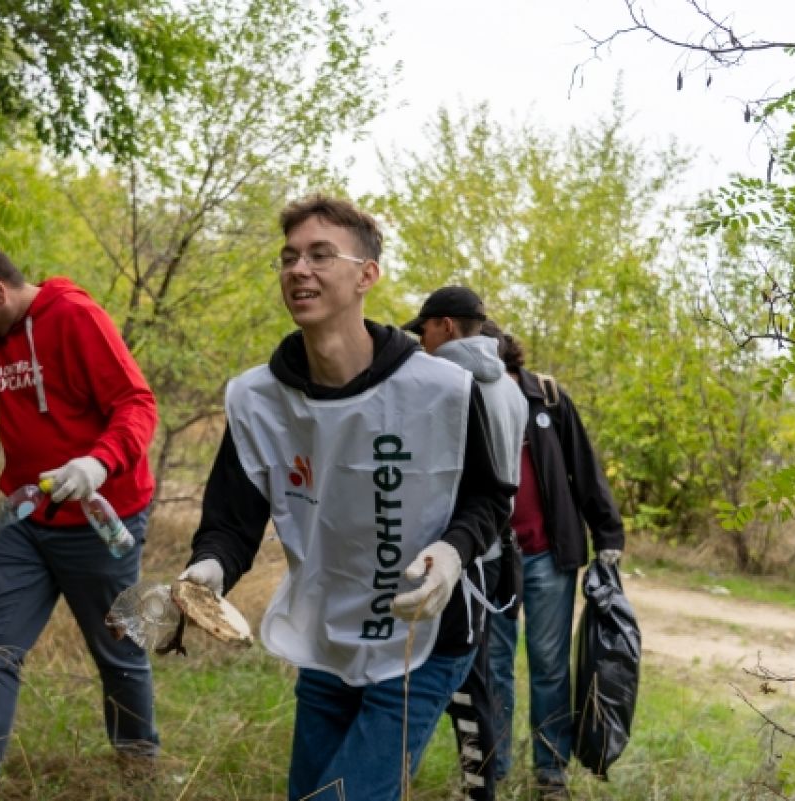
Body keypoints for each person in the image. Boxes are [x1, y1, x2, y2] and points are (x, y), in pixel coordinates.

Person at [176, 196, 514, 801]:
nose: (298, 269)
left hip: (424, 632)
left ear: (367, 275)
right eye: (288, 258)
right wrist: (208, 570)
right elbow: (232, 521)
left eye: (320, 255)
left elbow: (489, 499)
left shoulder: (442, 387)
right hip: (329, 630)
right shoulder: (259, 399)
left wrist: (454, 553)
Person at [0, 244, 160, 797]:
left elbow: (137, 403)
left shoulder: (75, 317)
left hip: (101, 519)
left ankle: (138, 766)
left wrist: (96, 463)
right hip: (26, 521)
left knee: (119, 650)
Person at [480, 320, 624, 799]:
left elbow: (584, 467)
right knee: (493, 665)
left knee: (548, 666)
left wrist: (608, 532)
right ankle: (491, 768)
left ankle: (551, 772)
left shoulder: (548, 398)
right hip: (491, 559)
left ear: (504, 357)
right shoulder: (465, 397)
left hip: (546, 555)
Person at [403, 286, 528, 801]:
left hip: (460, 553)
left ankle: (473, 788)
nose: (422, 340)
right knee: (474, 674)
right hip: (494, 551)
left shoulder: (448, 383)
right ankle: (479, 784)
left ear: (447, 326)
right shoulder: (513, 390)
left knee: (452, 675)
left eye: (425, 329)